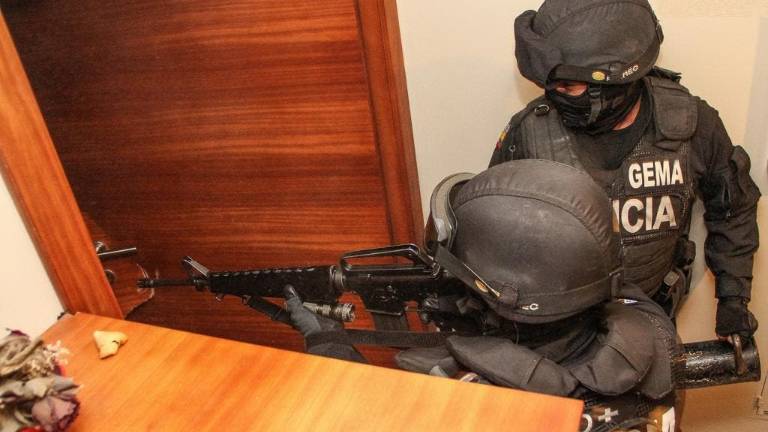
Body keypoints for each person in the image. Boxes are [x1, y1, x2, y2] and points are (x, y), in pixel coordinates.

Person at [286, 160, 681, 431]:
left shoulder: (476, 404)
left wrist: (329, 343)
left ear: (511, 296)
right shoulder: (646, 341)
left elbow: (366, 419)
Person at [491, 0, 760, 341]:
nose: (556, 96)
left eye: (569, 87)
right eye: (551, 86)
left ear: (614, 85)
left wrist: (733, 298)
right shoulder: (530, 132)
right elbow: (496, 232)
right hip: (557, 327)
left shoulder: (691, 124)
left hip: (653, 319)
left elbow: (733, 210)